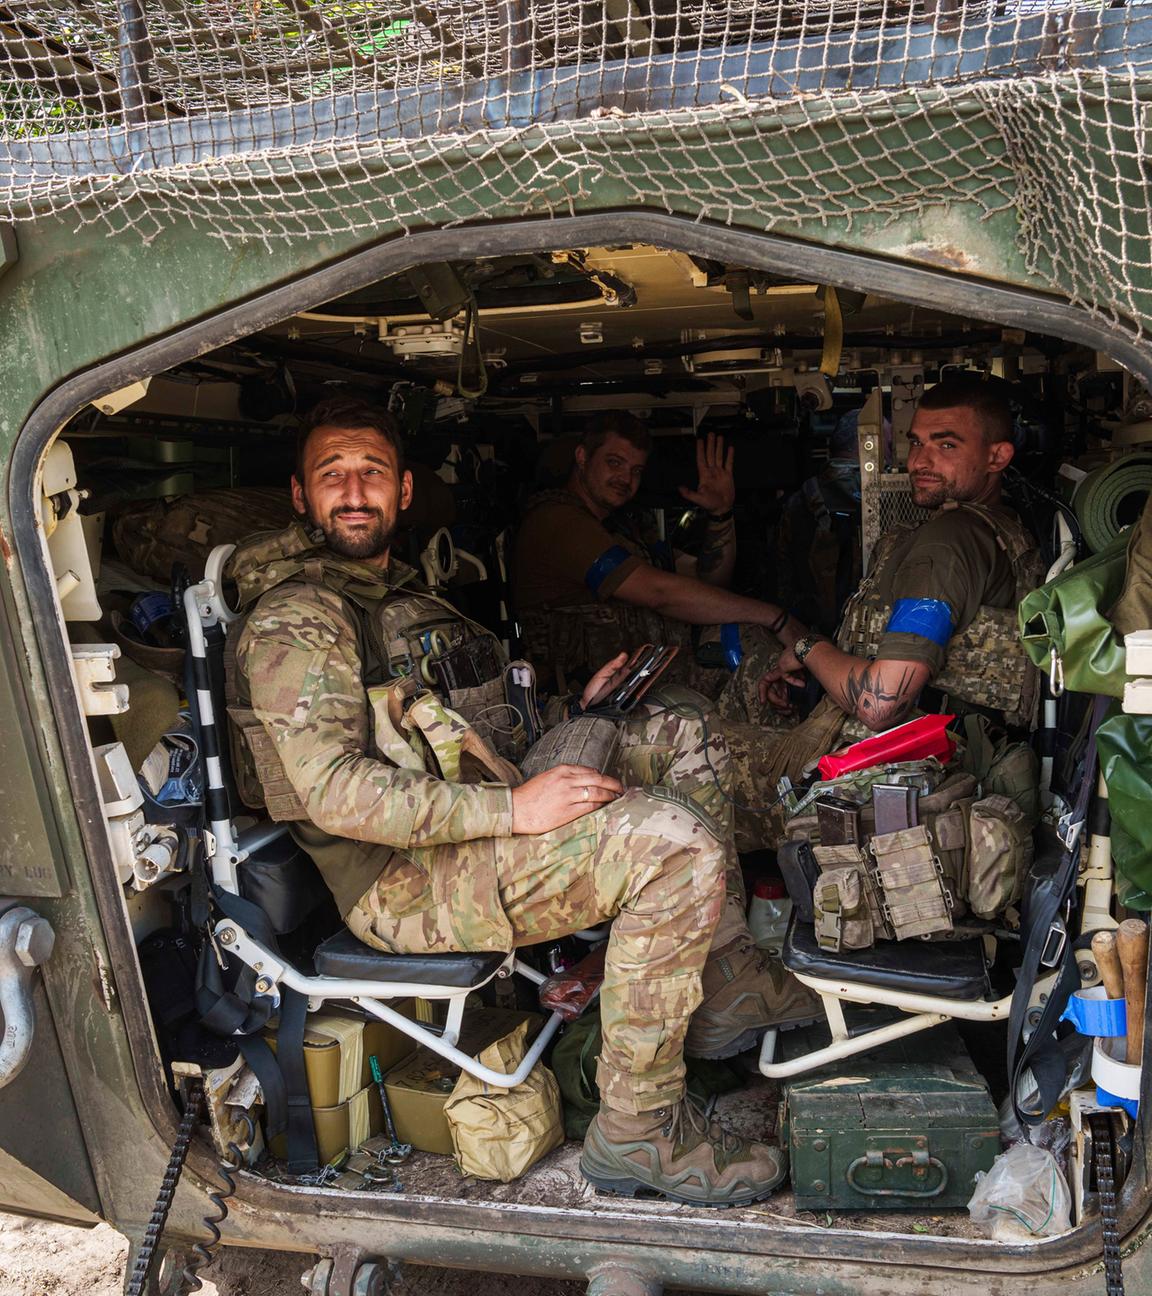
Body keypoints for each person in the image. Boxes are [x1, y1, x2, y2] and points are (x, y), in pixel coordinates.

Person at [227, 397, 811, 1207]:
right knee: (672, 846)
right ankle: (638, 1130)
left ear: (403, 492)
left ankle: (729, 978)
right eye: (333, 476)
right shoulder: (303, 618)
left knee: (674, 723)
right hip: (404, 882)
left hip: (469, 828)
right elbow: (334, 792)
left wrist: (579, 719)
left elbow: (464, 739)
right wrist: (516, 812)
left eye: (371, 474)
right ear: (301, 496)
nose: (353, 492)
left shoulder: (400, 595)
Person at [728, 372, 1043, 804]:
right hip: (933, 756)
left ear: (998, 456)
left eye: (946, 445)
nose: (919, 462)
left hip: (881, 774)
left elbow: (881, 704)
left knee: (681, 747)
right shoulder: (1000, 529)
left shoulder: (948, 544)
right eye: (917, 443)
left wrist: (806, 647)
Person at [513, 413, 801, 720]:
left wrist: (720, 516)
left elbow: (709, 586)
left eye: (636, 470)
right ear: (582, 457)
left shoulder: (619, 528)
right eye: (614, 462)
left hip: (643, 687)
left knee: (758, 660)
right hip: (591, 704)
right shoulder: (559, 523)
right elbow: (660, 593)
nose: (626, 478)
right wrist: (776, 618)